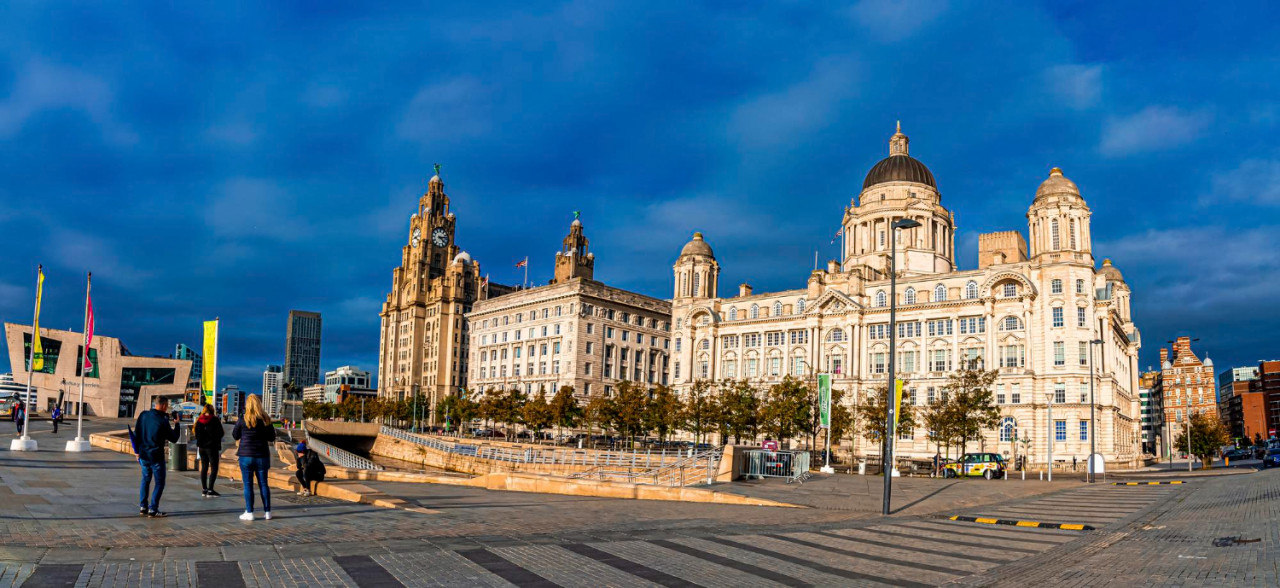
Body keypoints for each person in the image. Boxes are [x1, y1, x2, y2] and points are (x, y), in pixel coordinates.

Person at [232, 394, 276, 521]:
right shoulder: (265, 419)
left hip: (246, 456)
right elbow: (272, 437)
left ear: (248, 404)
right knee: (263, 484)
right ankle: (267, 512)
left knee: (248, 485)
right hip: (262, 455)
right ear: (259, 404)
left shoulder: (242, 418)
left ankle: (249, 512)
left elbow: (235, 435)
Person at [134, 397, 180, 517]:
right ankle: (153, 509)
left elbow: (136, 434)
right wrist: (177, 424)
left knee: (145, 479)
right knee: (159, 483)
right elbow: (174, 438)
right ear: (164, 405)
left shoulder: (143, 415)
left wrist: (136, 451)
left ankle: (143, 506)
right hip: (156, 456)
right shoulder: (162, 420)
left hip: (143, 455)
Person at [194, 404, 224, 498]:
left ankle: (204, 489)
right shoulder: (215, 420)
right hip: (212, 447)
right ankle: (210, 490)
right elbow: (221, 433)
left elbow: (196, 433)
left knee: (204, 467)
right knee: (214, 467)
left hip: (201, 448)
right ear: (212, 411)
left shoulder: (199, 420)